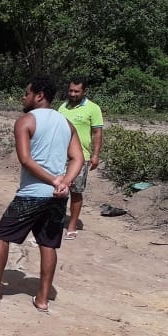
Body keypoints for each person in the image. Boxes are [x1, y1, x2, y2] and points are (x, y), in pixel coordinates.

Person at [0, 75, 83, 312]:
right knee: (48, 244)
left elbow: (26, 159)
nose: (23, 97)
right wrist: (64, 183)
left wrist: (53, 180)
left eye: (27, 93)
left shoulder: (25, 121)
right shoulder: (66, 123)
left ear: (39, 96)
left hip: (32, 193)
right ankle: (42, 299)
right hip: (58, 197)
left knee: (0, 236)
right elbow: (78, 158)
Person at [57, 77, 103, 239]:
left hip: (81, 157)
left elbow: (97, 133)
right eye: (71, 90)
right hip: (60, 156)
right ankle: (56, 220)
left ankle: (72, 224)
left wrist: (95, 155)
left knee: (76, 191)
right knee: (58, 189)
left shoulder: (93, 109)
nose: (73, 94)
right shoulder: (62, 107)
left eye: (77, 91)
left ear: (84, 91)